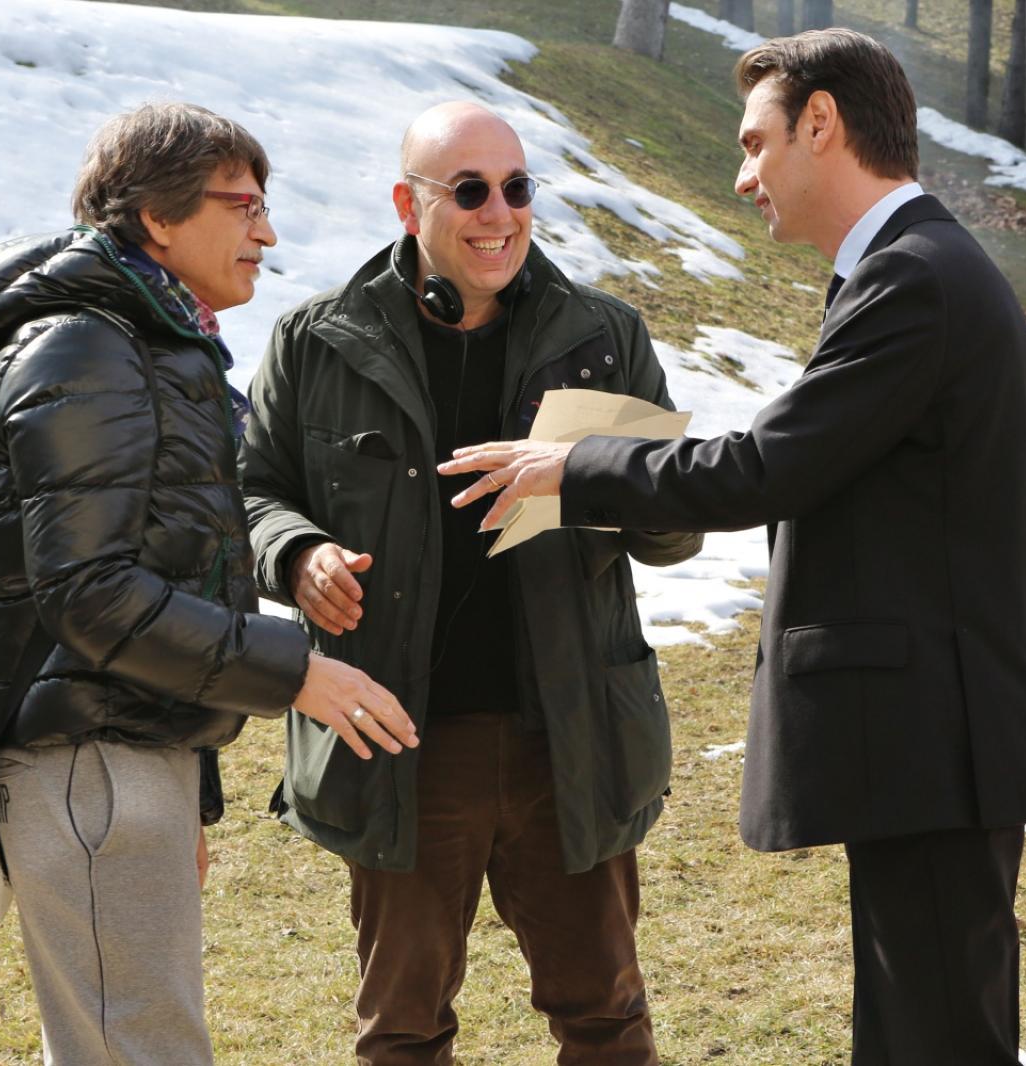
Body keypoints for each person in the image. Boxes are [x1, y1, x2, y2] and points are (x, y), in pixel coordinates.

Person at [439, 31, 1026, 1066]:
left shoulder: (916, 278)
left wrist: (573, 467)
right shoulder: (916, 268)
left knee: (937, 1037)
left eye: (752, 143)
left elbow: (768, 466)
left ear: (820, 123)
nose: (741, 176)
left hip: (934, 740)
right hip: (932, 738)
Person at [0, 102, 417, 1066]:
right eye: (243, 206)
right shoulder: (86, 349)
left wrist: (188, 782)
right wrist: (297, 672)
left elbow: (172, 572)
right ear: (157, 217)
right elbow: (90, 594)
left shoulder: (152, 347)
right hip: (92, 767)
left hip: (129, 757)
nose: (266, 233)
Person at [239, 101, 701, 1065]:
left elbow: (674, 532)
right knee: (403, 1031)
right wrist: (296, 553)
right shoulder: (314, 342)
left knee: (607, 1021)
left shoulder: (606, 335)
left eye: (518, 188)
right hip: (400, 740)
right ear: (408, 204)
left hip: (569, 738)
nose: (501, 214)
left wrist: (605, 477)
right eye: (471, 190)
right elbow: (249, 495)